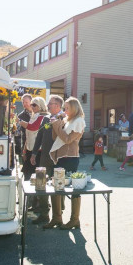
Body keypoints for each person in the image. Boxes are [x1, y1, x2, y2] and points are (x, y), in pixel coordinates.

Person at [47, 96, 85, 230]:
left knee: (74, 188)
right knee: (56, 186)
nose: (65, 110)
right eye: (65, 108)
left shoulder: (79, 121)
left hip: (71, 157)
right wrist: (57, 124)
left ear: (74, 108)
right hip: (62, 157)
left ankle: (75, 219)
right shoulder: (67, 121)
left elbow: (68, 139)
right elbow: (55, 137)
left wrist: (57, 125)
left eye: (67, 108)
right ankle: (57, 218)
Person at [30, 94, 64, 225]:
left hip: (58, 158)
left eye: (50, 103)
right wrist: (33, 153)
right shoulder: (45, 119)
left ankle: (58, 215)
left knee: (57, 186)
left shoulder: (65, 118)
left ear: (57, 105)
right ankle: (44, 214)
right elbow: (39, 137)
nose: (48, 105)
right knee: (40, 184)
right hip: (44, 158)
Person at [20, 97, 48, 181]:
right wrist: (24, 151)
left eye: (34, 105)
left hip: (38, 151)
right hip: (29, 150)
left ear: (41, 106)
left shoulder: (43, 116)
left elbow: (33, 127)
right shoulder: (33, 116)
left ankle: (36, 193)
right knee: (27, 175)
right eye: (31, 104)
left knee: (36, 176)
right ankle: (28, 193)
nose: (32, 106)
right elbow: (28, 135)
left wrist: (19, 121)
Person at [17, 94, 33, 159]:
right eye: (23, 102)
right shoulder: (20, 116)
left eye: (26, 102)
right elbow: (18, 132)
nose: (24, 104)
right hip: (25, 144)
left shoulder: (38, 113)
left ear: (31, 102)